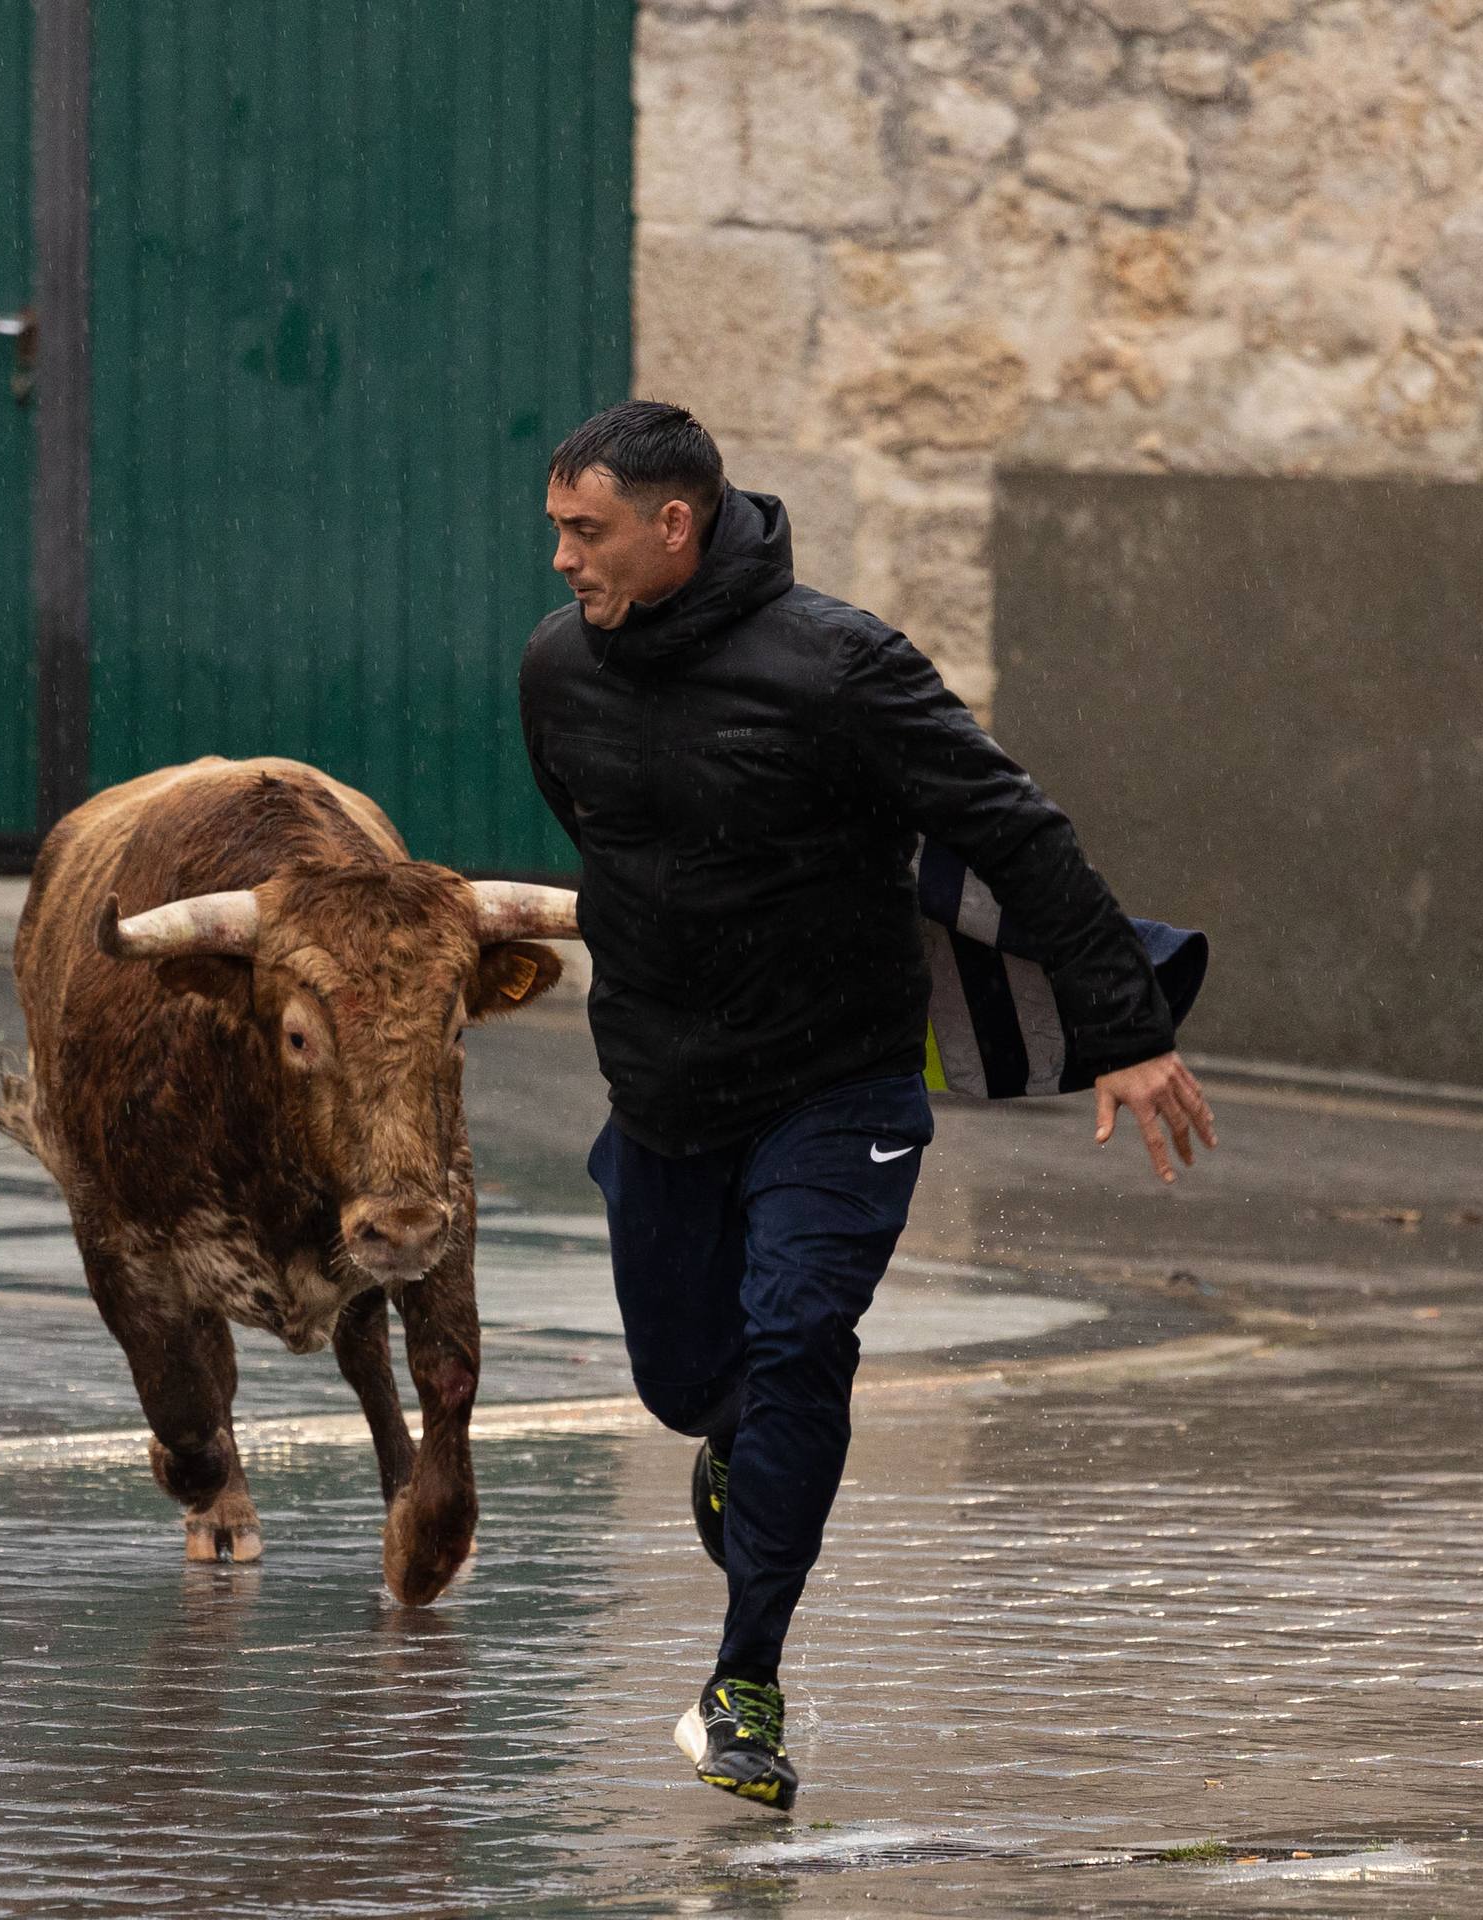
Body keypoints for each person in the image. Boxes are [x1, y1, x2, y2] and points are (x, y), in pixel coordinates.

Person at [519, 401, 1219, 1810]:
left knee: (797, 1337)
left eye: (581, 531)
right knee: (685, 1384)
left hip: (838, 1088)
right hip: (659, 1090)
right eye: (552, 531)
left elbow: (1012, 830)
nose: (559, 561)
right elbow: (611, 846)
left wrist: (1124, 1031)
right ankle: (731, 1447)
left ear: (674, 524)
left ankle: (743, 1682)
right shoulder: (554, 674)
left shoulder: (837, 666)